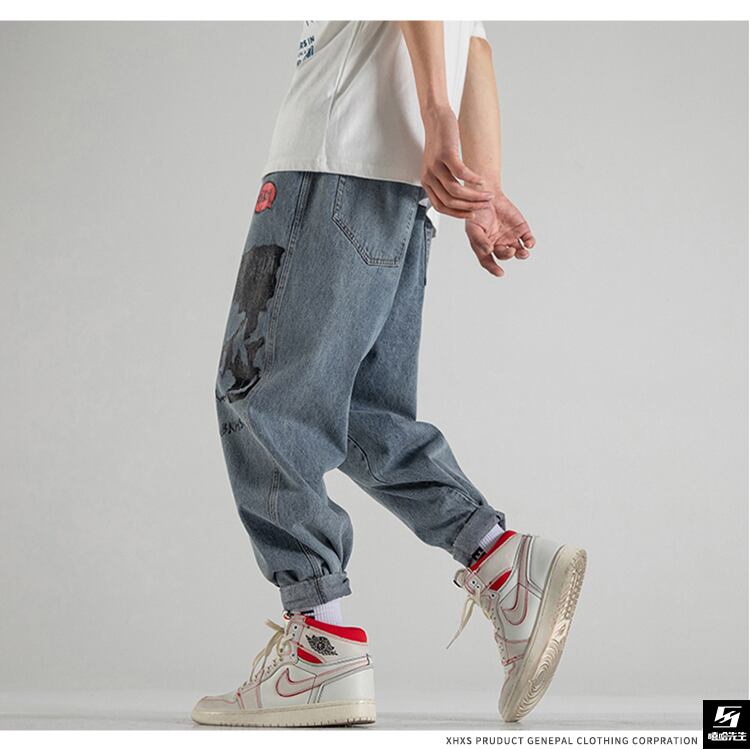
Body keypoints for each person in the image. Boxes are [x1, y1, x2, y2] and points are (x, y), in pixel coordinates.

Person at [192, 20, 586, 728]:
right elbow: (475, 42)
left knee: (260, 395)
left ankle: (321, 643)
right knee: (356, 413)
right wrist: (483, 184)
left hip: (328, 162)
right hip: (395, 193)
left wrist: (439, 121)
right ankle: (500, 560)